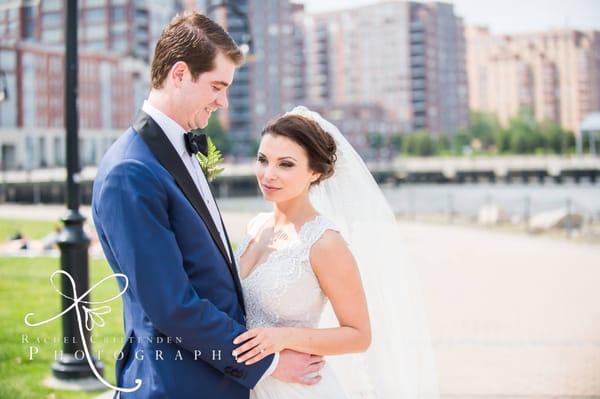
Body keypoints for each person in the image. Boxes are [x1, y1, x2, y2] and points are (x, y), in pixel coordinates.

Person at [92, 12, 323, 399]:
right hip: (176, 385)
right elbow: (171, 306)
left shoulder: (177, 150)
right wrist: (268, 363)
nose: (223, 101)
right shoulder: (130, 172)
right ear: (179, 74)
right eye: (217, 85)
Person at [232, 107, 440, 398]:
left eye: (286, 164)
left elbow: (358, 335)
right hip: (247, 380)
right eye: (263, 160)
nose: (269, 174)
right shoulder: (255, 226)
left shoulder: (324, 242)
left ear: (314, 171)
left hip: (295, 387)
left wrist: (283, 338)